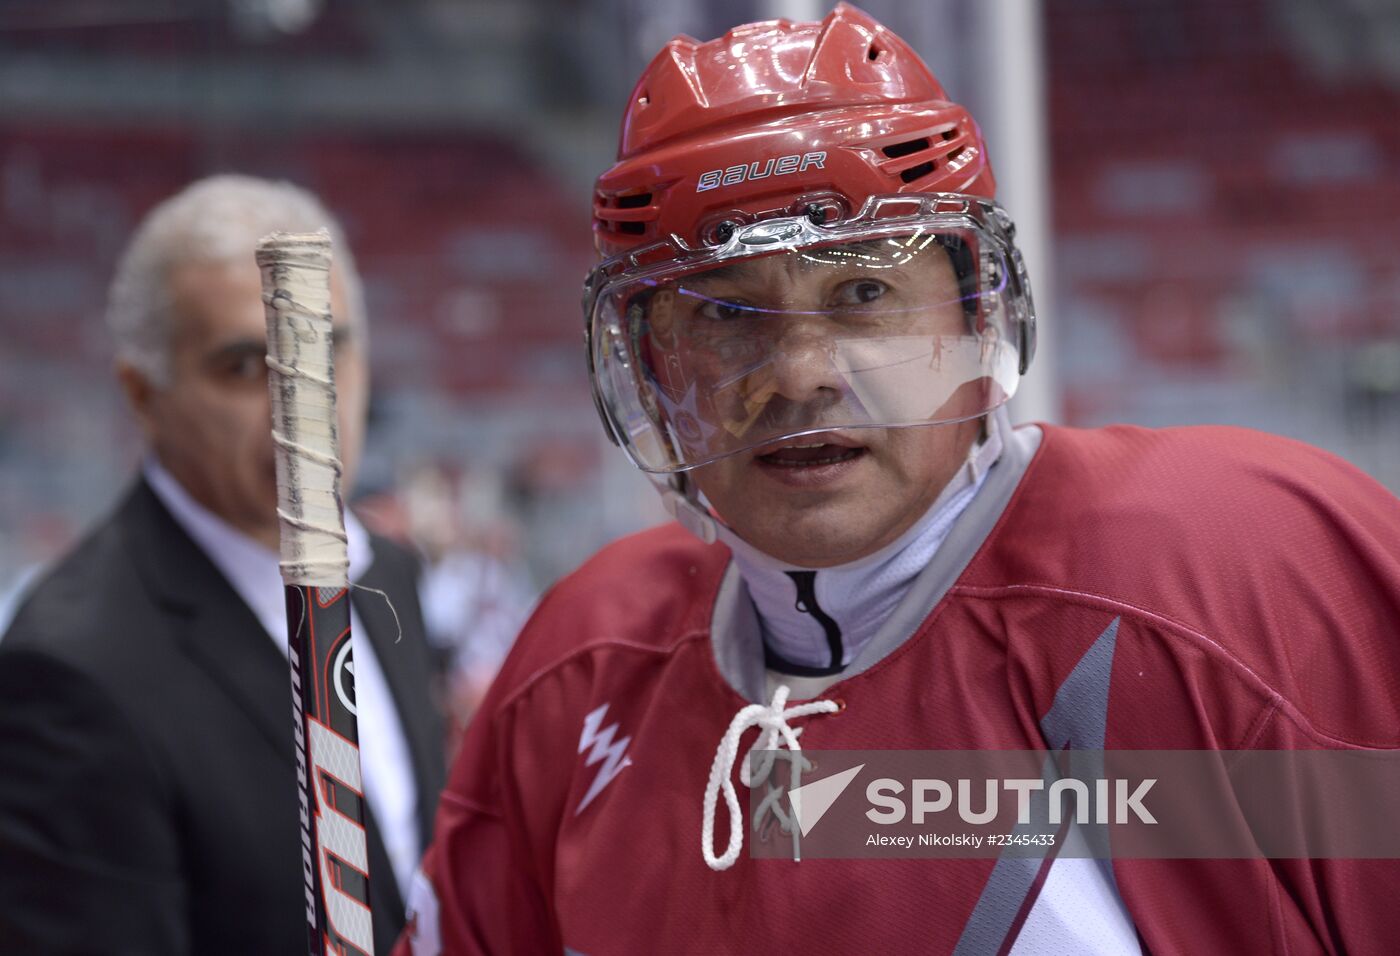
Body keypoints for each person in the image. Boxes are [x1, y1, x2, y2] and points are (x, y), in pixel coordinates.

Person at [399, 6, 1400, 954]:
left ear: (974, 312)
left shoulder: (1233, 577)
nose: (797, 375)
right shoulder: (578, 672)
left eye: (862, 291)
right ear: (649, 369)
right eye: (722, 315)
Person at [0, 175, 446, 955]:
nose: (301, 397)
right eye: (245, 366)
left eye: (325, 345)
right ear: (144, 395)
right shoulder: (73, 668)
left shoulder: (391, 574)